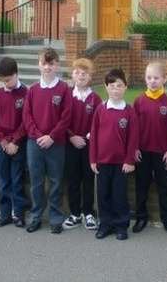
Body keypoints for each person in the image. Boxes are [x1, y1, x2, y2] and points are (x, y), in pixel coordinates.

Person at [23, 47, 73, 234]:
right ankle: (36, 216)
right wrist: (38, 136)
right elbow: (27, 117)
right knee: (36, 181)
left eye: (51, 64)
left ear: (57, 65)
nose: (47, 67)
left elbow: (66, 117)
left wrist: (51, 137)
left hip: (56, 143)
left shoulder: (64, 89)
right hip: (34, 143)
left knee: (55, 181)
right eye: (44, 63)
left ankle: (56, 217)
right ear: (39, 65)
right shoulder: (33, 90)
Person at [89, 68, 139, 241]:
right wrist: (93, 159)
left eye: (119, 86)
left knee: (119, 195)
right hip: (102, 162)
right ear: (106, 87)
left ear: (125, 87)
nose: (115, 89)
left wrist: (129, 160)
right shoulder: (100, 110)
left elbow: (133, 138)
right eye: (112, 86)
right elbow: (94, 136)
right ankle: (105, 224)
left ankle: (121, 225)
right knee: (103, 195)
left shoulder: (129, 111)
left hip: (121, 163)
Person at [132, 61, 167, 234]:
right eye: (149, 78)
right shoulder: (139, 101)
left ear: (164, 79)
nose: (152, 81)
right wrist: (135, 148)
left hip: (161, 153)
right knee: (141, 185)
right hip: (142, 152)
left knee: (164, 187)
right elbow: (134, 128)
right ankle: (141, 218)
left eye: (156, 78)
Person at [61, 58, 102, 231]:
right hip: (70, 144)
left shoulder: (96, 98)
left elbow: (99, 122)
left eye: (84, 73)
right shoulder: (67, 95)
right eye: (77, 72)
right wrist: (71, 136)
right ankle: (75, 213)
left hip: (89, 146)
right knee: (73, 179)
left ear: (90, 76)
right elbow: (61, 120)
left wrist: (88, 136)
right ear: (72, 75)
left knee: (88, 179)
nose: (81, 75)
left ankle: (88, 213)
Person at [0, 56, 28, 228]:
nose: (6, 83)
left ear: (16, 73)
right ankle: (5, 213)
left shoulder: (26, 93)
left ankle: (18, 214)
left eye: (9, 79)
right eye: (3, 80)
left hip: (18, 145)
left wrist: (15, 141)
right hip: (2, 145)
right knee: (3, 180)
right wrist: (3, 141)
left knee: (17, 179)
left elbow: (26, 121)